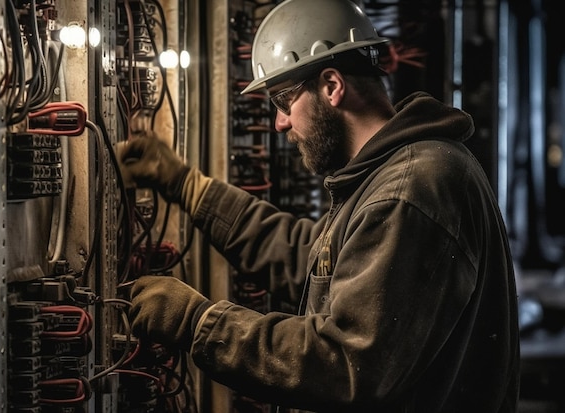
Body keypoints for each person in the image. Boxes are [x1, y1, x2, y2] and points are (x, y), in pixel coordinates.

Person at [115, 0, 520, 411]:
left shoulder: (411, 189)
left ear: (331, 85)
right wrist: (188, 187)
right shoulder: (391, 175)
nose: (280, 123)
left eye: (282, 101)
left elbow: (348, 363)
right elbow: (308, 258)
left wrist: (199, 323)